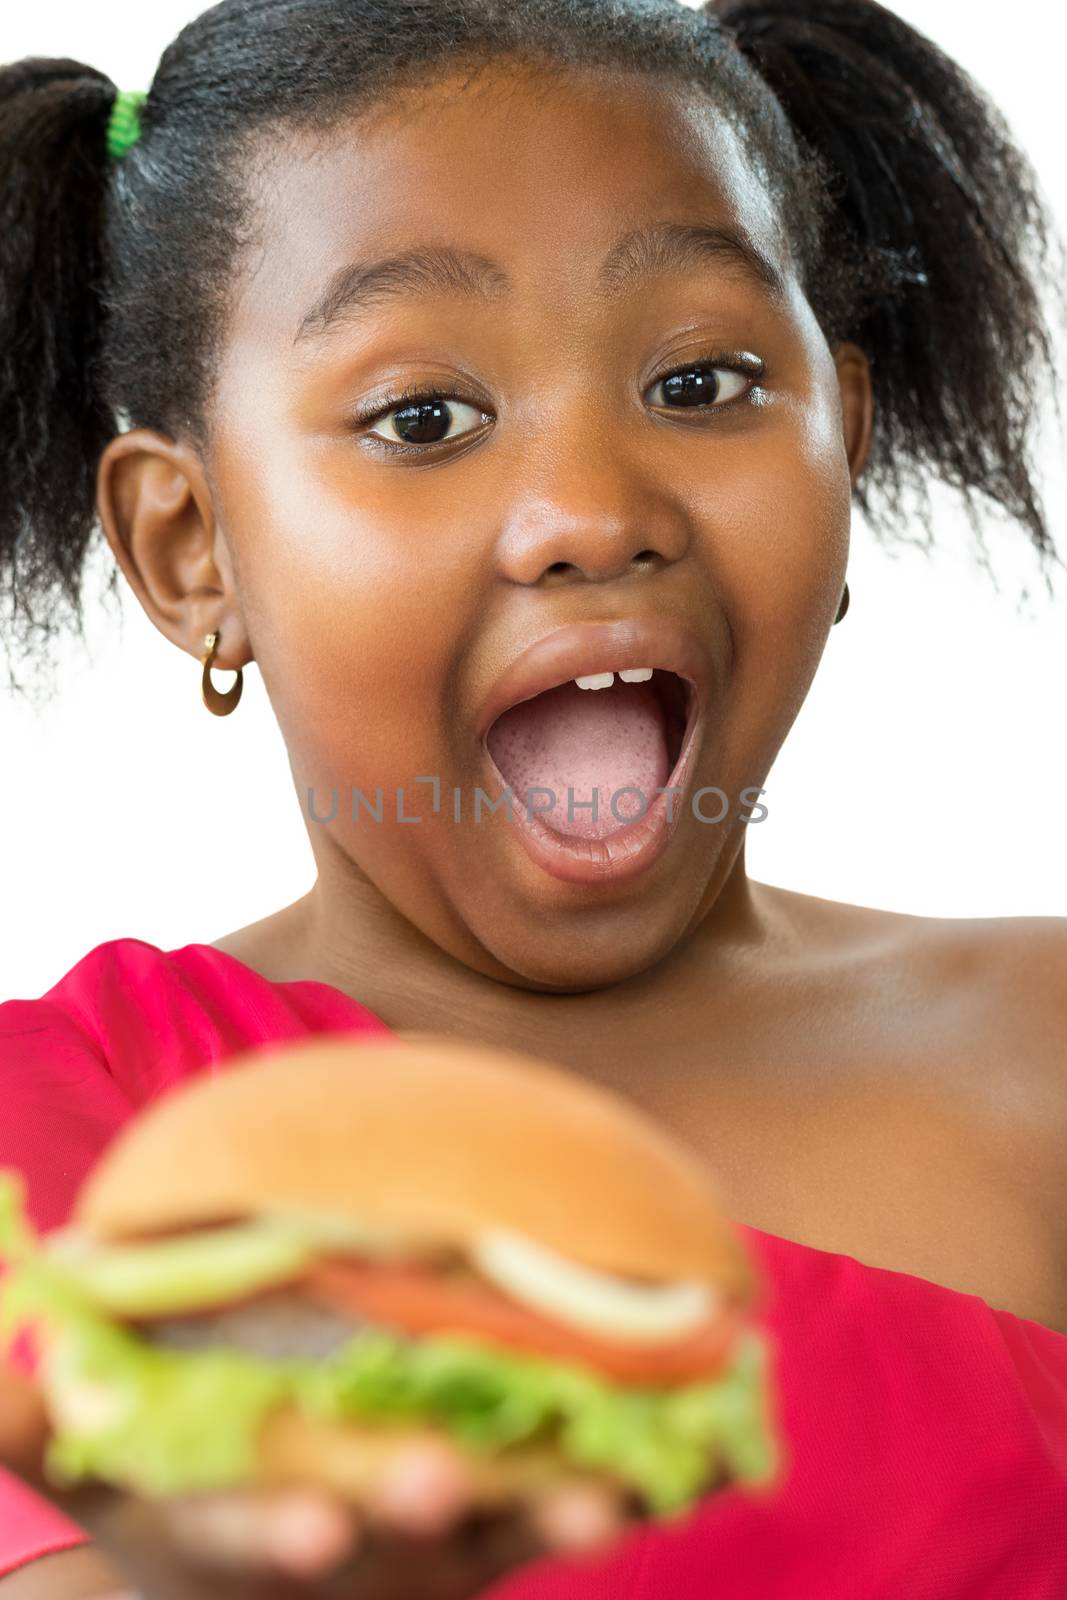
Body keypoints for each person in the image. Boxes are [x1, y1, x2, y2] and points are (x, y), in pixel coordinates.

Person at [1, 0, 1066, 1593]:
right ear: (190, 546)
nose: (589, 515)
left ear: (843, 434)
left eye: (703, 383)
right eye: (422, 419)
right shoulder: (65, 1140)